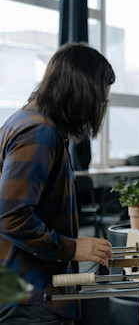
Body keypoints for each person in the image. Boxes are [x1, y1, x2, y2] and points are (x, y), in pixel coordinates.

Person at [0, 43, 114, 324]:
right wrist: (72, 248)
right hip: (30, 301)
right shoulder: (39, 131)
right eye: (100, 101)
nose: (99, 110)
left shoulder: (29, 121)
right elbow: (11, 217)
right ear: (81, 93)